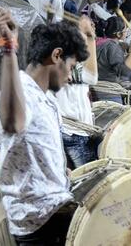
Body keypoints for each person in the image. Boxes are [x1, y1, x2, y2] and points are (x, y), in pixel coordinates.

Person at [0, 8, 90, 244]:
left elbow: (7, 143)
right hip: (39, 225)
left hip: (53, 210)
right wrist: (8, 49)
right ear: (56, 56)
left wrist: (52, 170)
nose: (70, 77)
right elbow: (12, 123)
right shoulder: (20, 92)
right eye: (71, 67)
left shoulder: (46, 98)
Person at [55, 17, 98, 169]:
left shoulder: (70, 61)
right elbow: (92, 78)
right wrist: (90, 39)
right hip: (73, 134)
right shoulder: (63, 63)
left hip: (78, 132)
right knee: (85, 184)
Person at [96, 17, 131, 103]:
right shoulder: (113, 47)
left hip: (98, 92)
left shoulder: (101, 43)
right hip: (109, 95)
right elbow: (125, 72)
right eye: (125, 31)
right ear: (119, 34)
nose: (126, 34)